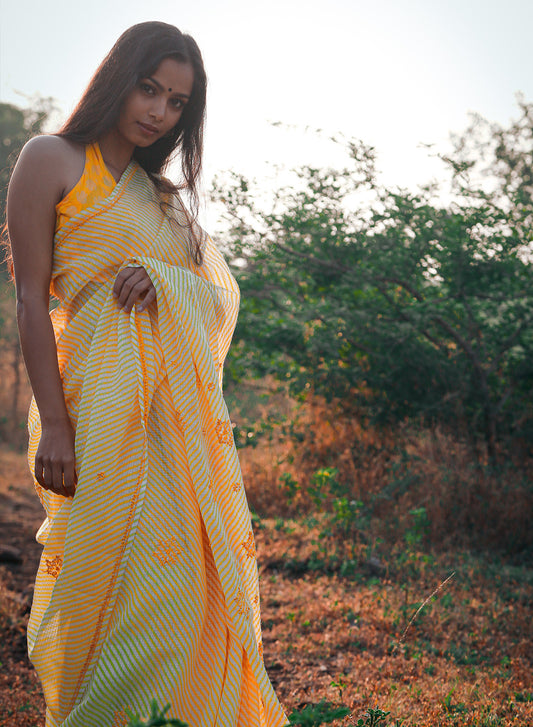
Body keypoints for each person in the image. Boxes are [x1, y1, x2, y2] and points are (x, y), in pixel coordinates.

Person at [6, 21, 287, 727]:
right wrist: (57, 426)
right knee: (105, 579)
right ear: (117, 78)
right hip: (93, 408)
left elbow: (219, 296)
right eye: (149, 87)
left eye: (176, 102)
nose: (158, 110)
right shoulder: (52, 158)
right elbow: (31, 301)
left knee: (179, 586)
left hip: (171, 424)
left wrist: (165, 278)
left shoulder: (162, 199)